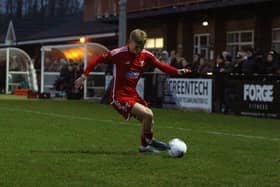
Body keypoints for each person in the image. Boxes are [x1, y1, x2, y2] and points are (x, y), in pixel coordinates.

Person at [74, 29, 191, 153]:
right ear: (129, 42)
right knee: (148, 114)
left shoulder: (146, 55)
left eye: (141, 48)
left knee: (148, 120)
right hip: (118, 96)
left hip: (132, 94)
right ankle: (150, 141)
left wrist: (177, 71)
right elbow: (96, 59)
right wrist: (83, 76)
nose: (138, 51)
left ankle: (144, 146)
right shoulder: (118, 53)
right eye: (136, 47)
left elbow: (161, 66)